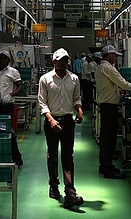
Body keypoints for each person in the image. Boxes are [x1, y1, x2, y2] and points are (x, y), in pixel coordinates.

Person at [37, 48, 84, 210]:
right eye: (60, 60)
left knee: (67, 156)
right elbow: (42, 103)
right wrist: (50, 120)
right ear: (54, 62)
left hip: (67, 122)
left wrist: (79, 110)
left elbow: (76, 98)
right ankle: (53, 185)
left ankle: (70, 190)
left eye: (65, 60)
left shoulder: (74, 79)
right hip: (51, 122)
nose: (63, 63)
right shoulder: (45, 79)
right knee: (52, 156)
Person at [95, 44, 131, 179]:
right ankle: (108, 169)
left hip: (106, 105)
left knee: (106, 137)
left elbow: (111, 84)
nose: (115, 58)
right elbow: (122, 82)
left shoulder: (101, 67)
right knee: (109, 137)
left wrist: (116, 90)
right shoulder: (108, 67)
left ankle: (104, 165)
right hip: (109, 107)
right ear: (109, 56)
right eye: (114, 55)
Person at [0, 49, 24, 166]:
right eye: (0, 58)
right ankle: (2, 157)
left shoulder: (13, 72)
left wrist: (10, 95)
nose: (1, 60)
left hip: (7, 106)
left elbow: (20, 87)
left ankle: (17, 158)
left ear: (8, 60)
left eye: (4, 58)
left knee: (8, 132)